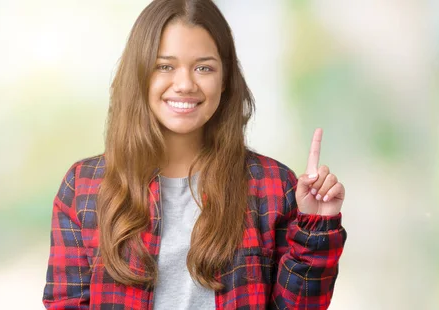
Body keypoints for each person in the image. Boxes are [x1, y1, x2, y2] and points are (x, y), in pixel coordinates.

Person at [42, 0, 347, 309]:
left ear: (226, 78)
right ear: (139, 74)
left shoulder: (274, 185)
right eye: (165, 66)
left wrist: (316, 227)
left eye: (204, 67)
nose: (185, 84)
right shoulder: (83, 186)